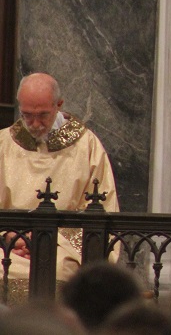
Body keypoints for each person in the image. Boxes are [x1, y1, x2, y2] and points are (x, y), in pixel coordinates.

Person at [0, 73, 120, 288]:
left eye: (43, 115)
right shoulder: (3, 144)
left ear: (59, 105)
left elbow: (101, 209)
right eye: (27, 115)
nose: (35, 124)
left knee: (56, 268)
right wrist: (8, 235)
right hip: (9, 245)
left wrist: (45, 239)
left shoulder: (86, 146)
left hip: (61, 246)